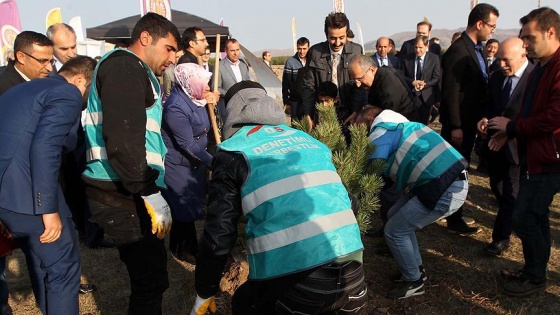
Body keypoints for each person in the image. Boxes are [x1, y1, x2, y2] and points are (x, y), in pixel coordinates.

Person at [190, 81, 367, 315]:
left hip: (298, 284)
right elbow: (350, 202)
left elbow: (218, 235)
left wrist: (205, 290)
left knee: (245, 305)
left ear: (230, 113)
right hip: (353, 275)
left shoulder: (234, 152)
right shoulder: (309, 142)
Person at [82, 13, 180, 314]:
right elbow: (124, 139)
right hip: (121, 191)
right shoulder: (124, 67)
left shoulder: (134, 71)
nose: (173, 59)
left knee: (150, 278)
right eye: (169, 49)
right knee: (150, 280)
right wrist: (148, 190)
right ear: (146, 38)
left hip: (125, 187)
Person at [0, 55, 96, 315]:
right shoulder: (67, 93)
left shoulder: (24, 88)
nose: (90, 98)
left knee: (43, 263)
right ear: (79, 79)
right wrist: (47, 208)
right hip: (28, 195)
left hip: (9, 196)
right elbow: (45, 147)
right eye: (92, 89)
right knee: (63, 268)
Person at [355, 105, 468, 299]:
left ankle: (413, 281)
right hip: (443, 181)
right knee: (394, 217)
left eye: (359, 128)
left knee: (394, 230)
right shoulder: (400, 125)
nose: (358, 135)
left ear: (370, 122)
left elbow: (374, 168)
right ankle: (416, 269)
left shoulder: (381, 132)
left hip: (444, 188)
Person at [488, 7, 560, 297]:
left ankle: (535, 276)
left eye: (529, 38)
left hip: (549, 158)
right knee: (535, 215)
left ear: (551, 32)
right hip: (535, 154)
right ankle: (535, 270)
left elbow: (553, 117)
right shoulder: (542, 66)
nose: (526, 45)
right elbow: (531, 110)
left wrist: (514, 127)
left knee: (525, 217)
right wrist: (511, 131)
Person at [439, 3, 499, 234]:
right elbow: (450, 92)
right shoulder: (458, 50)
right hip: (459, 126)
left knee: (460, 170)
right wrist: (455, 126)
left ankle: (454, 214)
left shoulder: (477, 48)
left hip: (469, 122)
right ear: (479, 23)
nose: (493, 31)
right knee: (456, 171)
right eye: (491, 26)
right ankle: (454, 219)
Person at [477, 38, 534, 256]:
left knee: (512, 193)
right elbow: (489, 102)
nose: (501, 65)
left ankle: (501, 238)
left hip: (520, 146)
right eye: (499, 59)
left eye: (506, 60)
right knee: (498, 187)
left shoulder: (534, 78)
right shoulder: (497, 76)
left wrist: (509, 132)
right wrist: (484, 118)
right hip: (495, 145)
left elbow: (535, 117)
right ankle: (514, 217)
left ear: (523, 55)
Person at [161, 63, 213, 264]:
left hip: (194, 162)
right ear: (190, 83)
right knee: (182, 206)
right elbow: (187, 144)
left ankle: (179, 245)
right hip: (179, 164)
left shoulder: (194, 98)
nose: (206, 88)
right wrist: (213, 162)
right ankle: (185, 249)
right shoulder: (175, 107)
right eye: (203, 84)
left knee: (190, 204)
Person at [301, 12, 365, 128]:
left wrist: (356, 111)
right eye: (333, 38)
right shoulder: (315, 53)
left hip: (349, 113)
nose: (337, 43)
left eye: (341, 38)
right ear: (326, 35)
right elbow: (308, 87)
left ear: (347, 33)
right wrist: (308, 114)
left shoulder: (356, 51)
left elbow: (359, 87)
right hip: (322, 113)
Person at [349, 54, 417, 121]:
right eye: (355, 80)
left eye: (360, 79)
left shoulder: (387, 86)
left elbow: (385, 119)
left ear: (371, 70)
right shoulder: (378, 76)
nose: (358, 84)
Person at [400, 35, 441, 125]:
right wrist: (412, 82)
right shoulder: (407, 59)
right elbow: (402, 76)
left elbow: (436, 77)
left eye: (420, 47)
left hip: (425, 98)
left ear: (426, 46)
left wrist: (425, 84)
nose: (418, 50)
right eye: (416, 47)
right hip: (410, 96)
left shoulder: (434, 58)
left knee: (423, 125)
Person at [0, 31, 54, 96]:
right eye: (42, 61)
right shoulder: (3, 88)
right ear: (21, 57)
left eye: (51, 61)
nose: (50, 68)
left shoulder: (52, 84)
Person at [282, 36, 309, 120]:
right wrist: (286, 102)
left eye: (304, 48)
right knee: (296, 124)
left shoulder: (312, 61)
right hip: (295, 100)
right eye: (299, 49)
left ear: (309, 48)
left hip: (309, 99)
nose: (302, 51)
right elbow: (285, 83)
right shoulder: (290, 62)